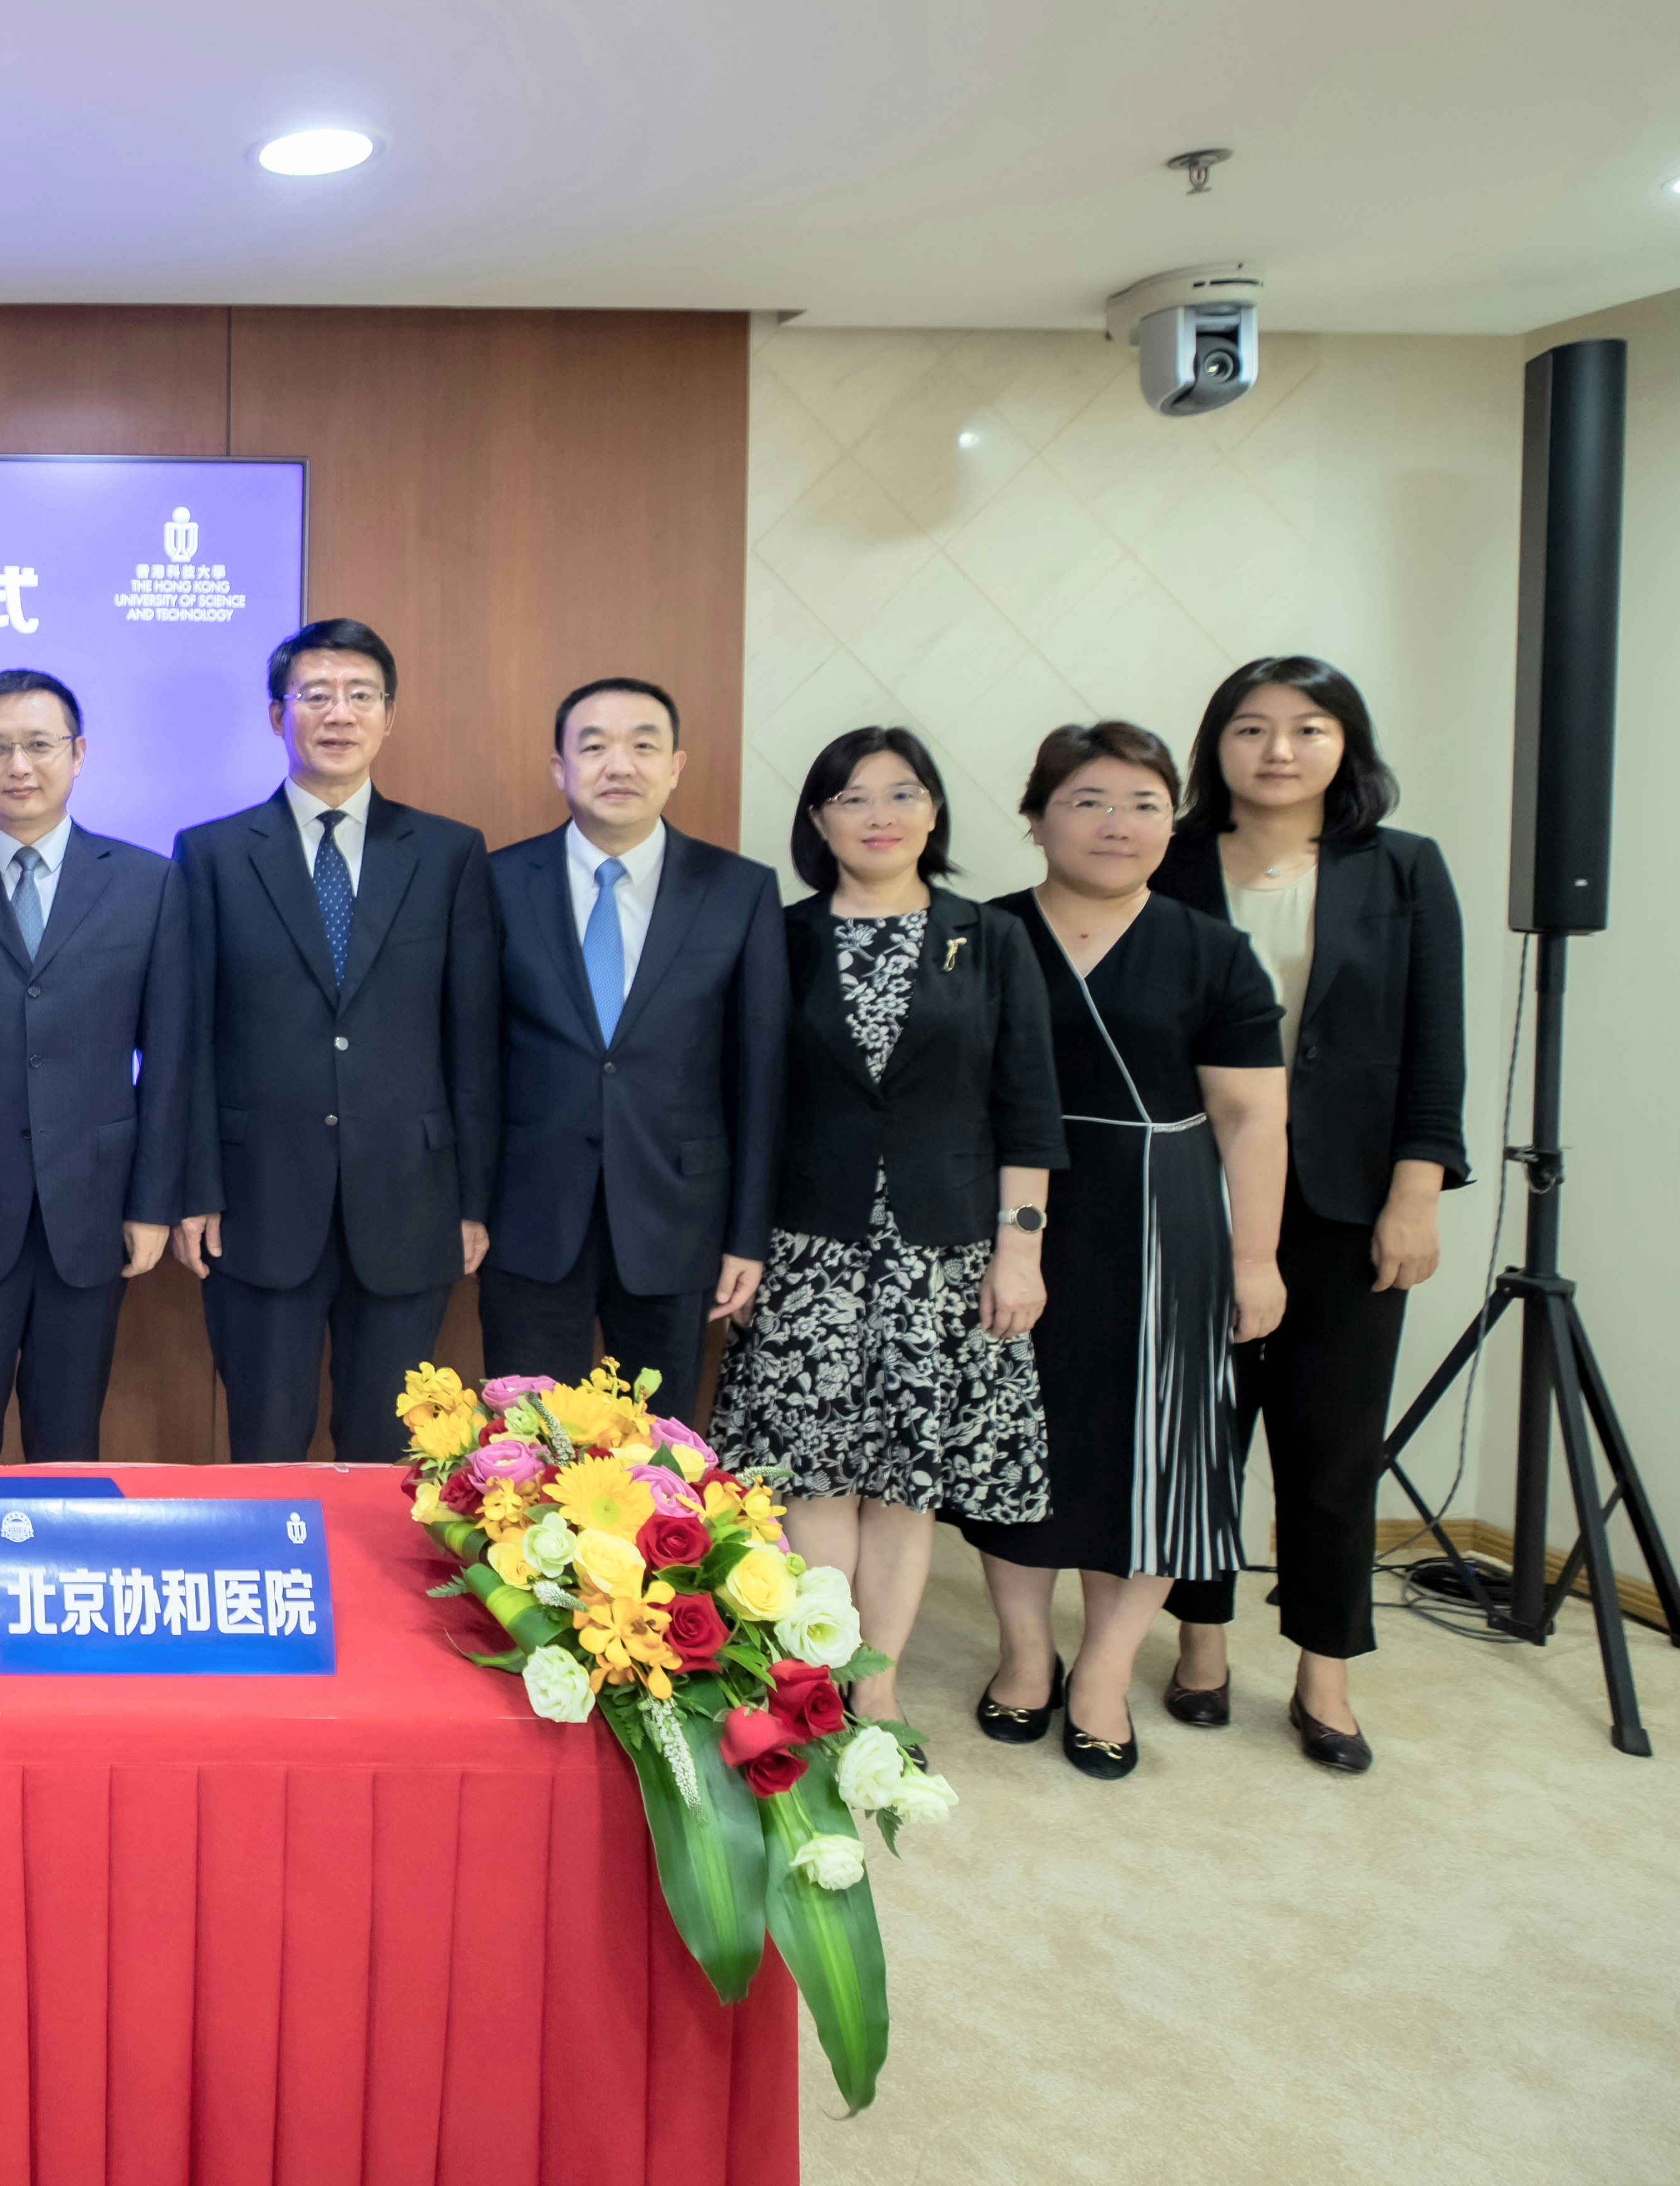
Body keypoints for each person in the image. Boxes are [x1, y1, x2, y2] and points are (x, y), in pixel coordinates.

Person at [711, 731, 1060, 1730]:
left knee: (906, 1482)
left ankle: (880, 1679)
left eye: (902, 793)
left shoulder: (987, 936)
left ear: (934, 812)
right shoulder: (778, 936)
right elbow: (748, 1098)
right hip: (806, 1243)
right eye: (851, 796)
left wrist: (1019, 1247)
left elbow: (1026, 1104)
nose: (879, 813)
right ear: (817, 820)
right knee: (814, 1476)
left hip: (941, 1246)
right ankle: (822, 1664)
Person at [1155, 656, 1466, 1771]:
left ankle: (1323, 1667)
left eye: (1305, 726)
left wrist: (1413, 1195)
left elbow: (1432, 1050)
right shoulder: (1168, 859)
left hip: (1343, 1202)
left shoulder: (1402, 871)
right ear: (1215, 747)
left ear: (1346, 744)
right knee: (1198, 1434)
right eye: (1249, 727)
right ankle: (1198, 1639)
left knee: (1331, 1447)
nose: (1276, 749)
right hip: (1191, 1194)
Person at [964, 722, 1289, 1781]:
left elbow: (1248, 1117)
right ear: (1035, 815)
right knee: (1009, 1438)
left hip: (1164, 1217)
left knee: (1151, 1453)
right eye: (1089, 799)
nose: (1118, 823)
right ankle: (1024, 1652)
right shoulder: (975, 933)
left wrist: (1254, 1259)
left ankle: (1103, 1671)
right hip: (1007, 1217)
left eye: (1144, 803)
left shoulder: (1210, 949)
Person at [171, 620, 499, 1462]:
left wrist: (472, 1200)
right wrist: (194, 1186)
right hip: (256, 1199)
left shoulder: (449, 851)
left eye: (360, 694)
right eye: (313, 694)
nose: (337, 712)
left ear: (389, 716)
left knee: (387, 1454)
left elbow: (472, 1039)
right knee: (264, 1442)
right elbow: (187, 1035)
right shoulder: (209, 853)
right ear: (276, 715)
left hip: (409, 1198)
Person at [0, 668, 190, 1462]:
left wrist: (152, 1204)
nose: (18, 765)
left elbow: (169, 1061)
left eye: (38, 744)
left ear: (79, 753)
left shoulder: (149, 883)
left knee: (69, 1438)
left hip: (91, 1208)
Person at [477, 678, 786, 1414]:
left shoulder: (738, 890)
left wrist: (748, 1237)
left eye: (643, 744)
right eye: (594, 745)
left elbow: (760, 1079)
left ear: (675, 764)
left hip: (679, 1219)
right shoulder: (495, 881)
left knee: (662, 1455)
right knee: (524, 1448)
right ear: (559, 767)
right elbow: (472, 1062)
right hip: (528, 1217)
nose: (619, 764)